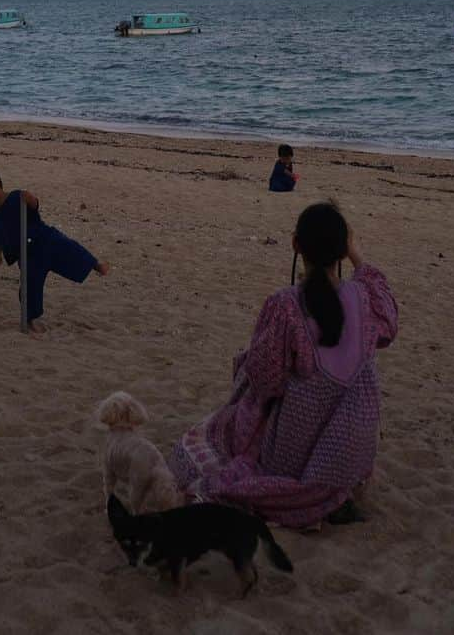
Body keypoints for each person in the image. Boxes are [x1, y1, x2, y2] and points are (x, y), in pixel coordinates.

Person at [170, 202, 398, 529]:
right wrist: (358, 256)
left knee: (232, 411)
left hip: (293, 453)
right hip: (353, 456)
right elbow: (389, 319)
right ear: (344, 249)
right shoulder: (365, 298)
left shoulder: (285, 304)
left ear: (295, 244)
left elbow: (266, 380)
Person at [0, 165, 109, 334]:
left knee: (71, 250)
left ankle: (96, 265)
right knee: (28, 288)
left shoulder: (16, 197)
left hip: (45, 240)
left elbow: (34, 206)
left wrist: (30, 198)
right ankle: (30, 320)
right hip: (28, 256)